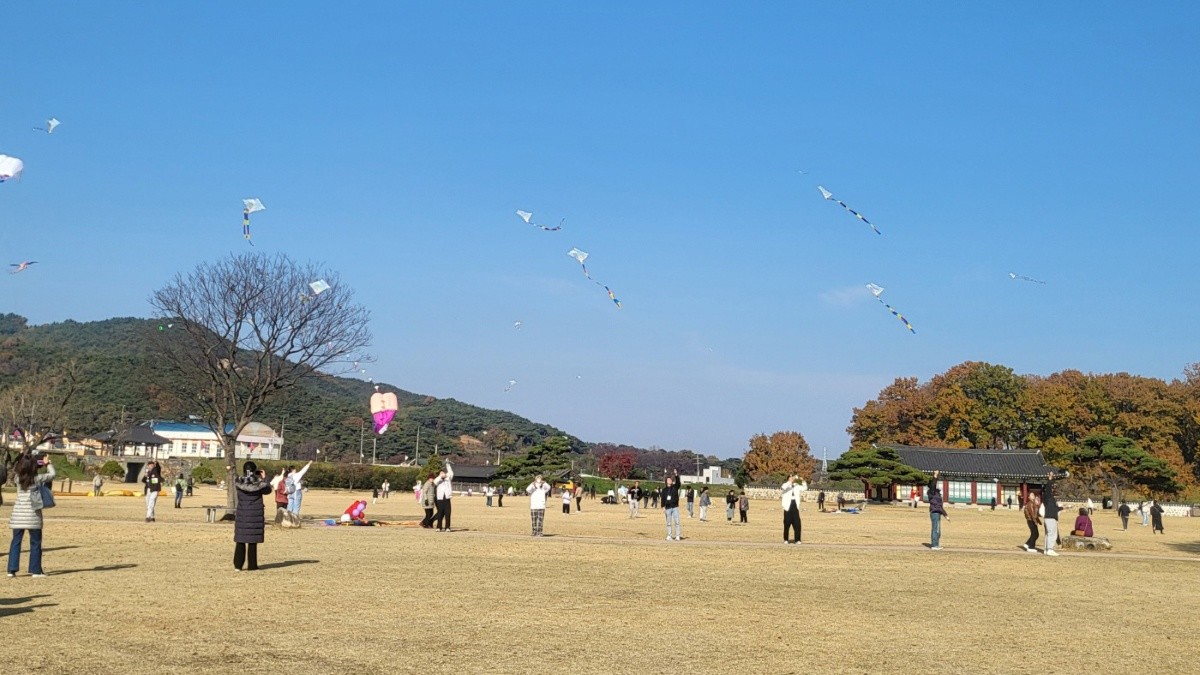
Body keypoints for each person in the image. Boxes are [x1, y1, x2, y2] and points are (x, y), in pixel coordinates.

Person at [7, 453, 55, 577]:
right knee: (35, 543)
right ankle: (35, 570)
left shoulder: (17, 479)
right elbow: (52, 475)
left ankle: (11, 570)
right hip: (33, 516)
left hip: (18, 515)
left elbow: (18, 468)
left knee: (16, 542)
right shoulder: (37, 479)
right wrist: (47, 463)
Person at [233, 461, 272, 571]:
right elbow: (268, 490)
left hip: (242, 513)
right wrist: (264, 478)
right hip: (255, 513)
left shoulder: (239, 481)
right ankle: (252, 565)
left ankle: (238, 565)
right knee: (252, 542)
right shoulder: (259, 483)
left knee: (240, 540)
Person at [781, 474, 807, 544]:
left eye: (792, 478)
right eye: (790, 478)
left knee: (797, 524)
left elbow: (805, 488)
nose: (792, 479)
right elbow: (783, 487)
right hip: (787, 506)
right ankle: (786, 539)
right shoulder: (786, 485)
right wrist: (790, 481)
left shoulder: (796, 486)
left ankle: (797, 539)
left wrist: (803, 481)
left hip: (795, 505)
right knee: (786, 524)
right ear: (788, 479)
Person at [927, 470, 949, 550]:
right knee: (935, 529)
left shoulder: (937, 494)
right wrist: (935, 476)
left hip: (938, 513)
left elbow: (940, 506)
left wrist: (945, 515)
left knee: (938, 530)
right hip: (934, 512)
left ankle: (936, 544)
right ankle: (934, 545)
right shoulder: (931, 492)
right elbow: (933, 485)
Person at [1041, 473, 1061, 556]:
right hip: (1050, 518)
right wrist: (1049, 479)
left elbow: (1054, 509)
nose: (1053, 489)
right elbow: (1048, 489)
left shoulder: (1050, 499)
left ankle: (1046, 549)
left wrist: (1062, 508)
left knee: (1048, 534)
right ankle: (1050, 549)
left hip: (1049, 517)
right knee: (1052, 534)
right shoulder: (1048, 497)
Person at [662, 470, 682, 541]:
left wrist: (676, 474)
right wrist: (663, 507)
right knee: (668, 522)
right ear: (666, 482)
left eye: (670, 479)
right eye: (668, 479)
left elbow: (678, 483)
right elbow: (663, 499)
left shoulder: (675, 487)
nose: (670, 480)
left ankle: (677, 536)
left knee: (677, 522)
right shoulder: (664, 490)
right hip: (667, 507)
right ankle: (669, 535)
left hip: (675, 507)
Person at [433, 462, 454, 531]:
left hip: (447, 497)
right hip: (440, 498)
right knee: (440, 513)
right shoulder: (438, 479)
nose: (442, 474)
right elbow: (435, 482)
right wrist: (440, 477)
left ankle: (447, 527)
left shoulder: (448, 478)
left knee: (447, 513)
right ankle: (439, 527)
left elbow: (451, 473)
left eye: (443, 473)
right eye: (441, 473)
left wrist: (448, 465)